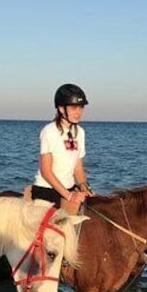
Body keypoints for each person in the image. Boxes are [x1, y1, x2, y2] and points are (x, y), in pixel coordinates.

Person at [31, 83, 94, 214]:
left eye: (81, 107)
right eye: (74, 108)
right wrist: (69, 196)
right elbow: (46, 171)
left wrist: (84, 187)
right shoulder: (49, 131)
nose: (78, 112)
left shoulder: (80, 132)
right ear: (61, 108)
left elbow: (78, 167)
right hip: (47, 190)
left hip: (69, 188)